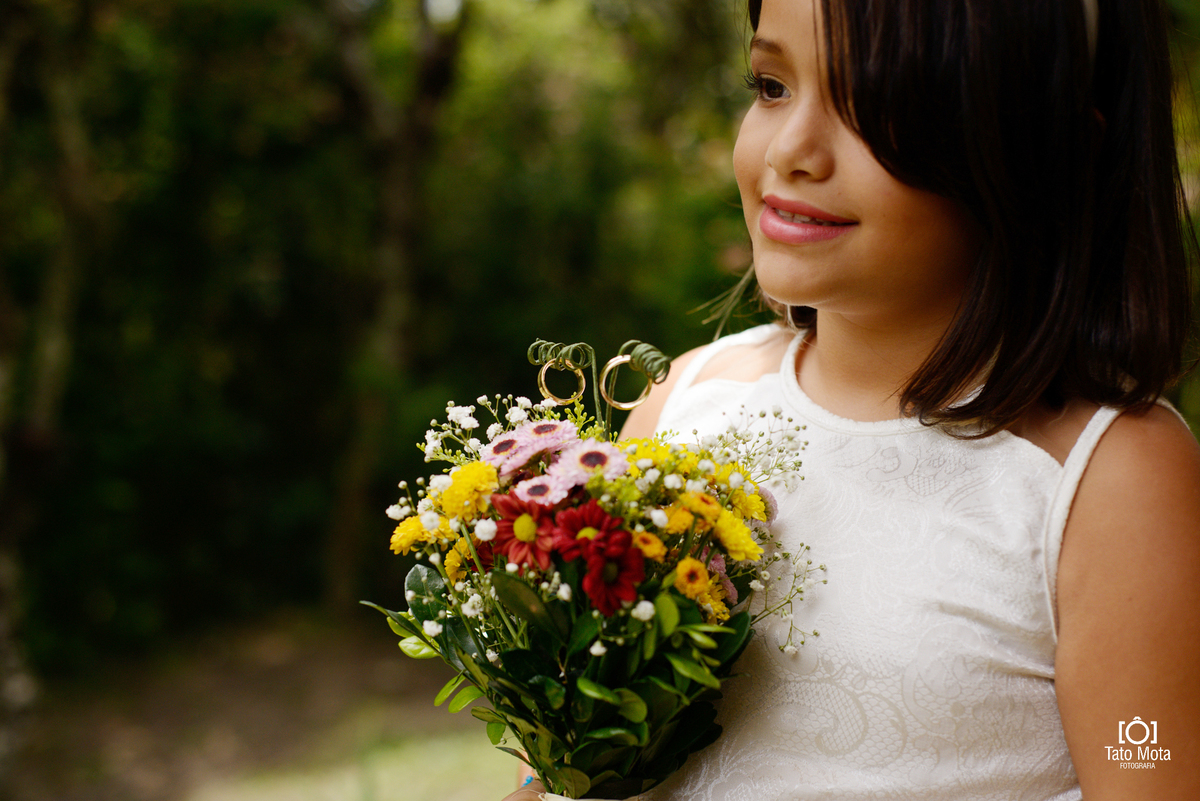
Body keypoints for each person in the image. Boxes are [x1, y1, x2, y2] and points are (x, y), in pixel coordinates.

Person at [504, 0, 1200, 797]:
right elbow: (559, 764)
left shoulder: (1106, 477)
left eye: (877, 107)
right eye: (770, 86)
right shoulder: (686, 400)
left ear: (1043, 146)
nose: (793, 150)